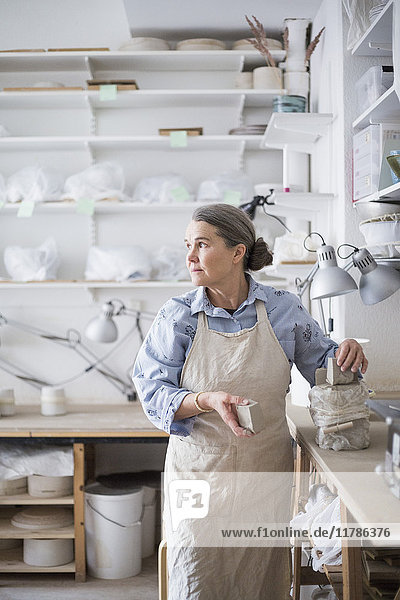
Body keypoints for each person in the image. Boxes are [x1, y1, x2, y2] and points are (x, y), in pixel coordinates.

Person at [132, 203, 368, 600]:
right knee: (198, 580)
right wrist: (205, 399)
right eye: (188, 245)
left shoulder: (282, 308)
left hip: (265, 476)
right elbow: (152, 391)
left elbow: (323, 368)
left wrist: (345, 354)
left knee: (262, 581)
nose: (190, 256)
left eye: (202, 245)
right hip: (198, 475)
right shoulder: (178, 316)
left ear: (237, 251)